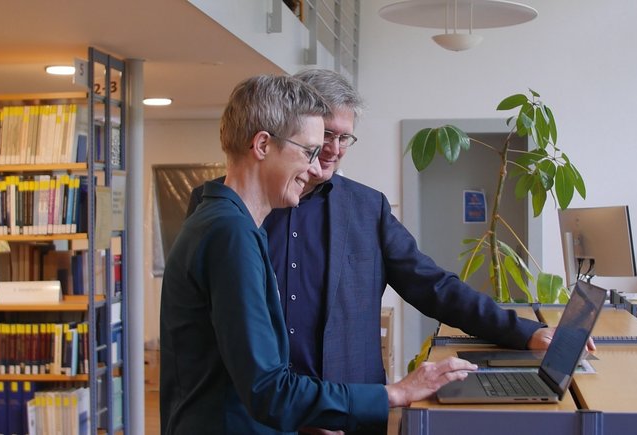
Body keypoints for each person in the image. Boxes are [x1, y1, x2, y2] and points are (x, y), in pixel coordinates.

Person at [187, 69, 570, 389]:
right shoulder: (230, 206)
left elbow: (434, 286)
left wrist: (522, 332)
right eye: (325, 135)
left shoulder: (367, 207)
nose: (334, 148)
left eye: (345, 137)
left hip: (350, 406)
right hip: (258, 411)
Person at [160, 74, 476, 434]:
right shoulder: (232, 233)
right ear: (263, 145)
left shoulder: (226, 222)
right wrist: (397, 392)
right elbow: (268, 390)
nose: (316, 166)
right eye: (309, 150)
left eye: (339, 141)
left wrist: (308, 416)